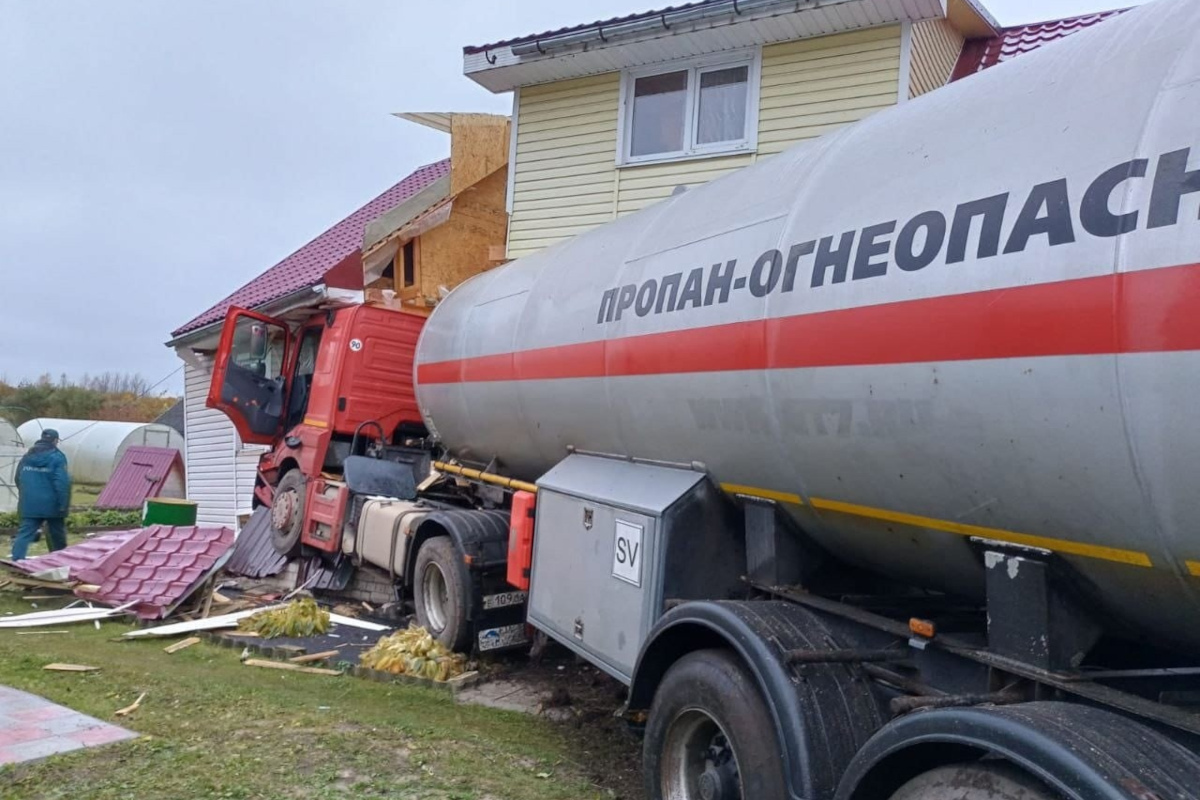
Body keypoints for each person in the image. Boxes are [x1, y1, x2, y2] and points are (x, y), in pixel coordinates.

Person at [12, 429, 71, 561]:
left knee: (24, 534)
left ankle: (16, 561)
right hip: (52, 504)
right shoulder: (58, 457)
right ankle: (59, 561)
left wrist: (25, 494)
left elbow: (17, 478)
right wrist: (63, 504)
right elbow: (61, 483)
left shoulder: (27, 456)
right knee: (57, 536)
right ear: (55, 441)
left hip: (30, 504)